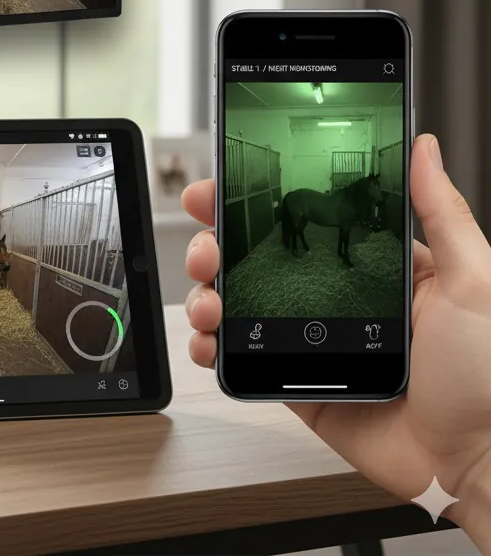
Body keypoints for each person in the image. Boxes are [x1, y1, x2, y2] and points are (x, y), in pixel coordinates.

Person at [182, 134, 491, 552]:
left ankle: (316, 246)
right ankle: (301, 242)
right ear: (370, 185)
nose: (379, 194)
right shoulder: (332, 201)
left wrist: (476, 459)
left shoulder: (355, 202)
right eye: (377, 188)